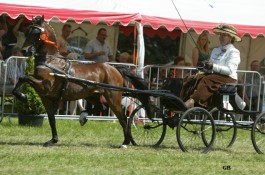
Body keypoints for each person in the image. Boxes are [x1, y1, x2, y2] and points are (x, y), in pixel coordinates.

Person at [182, 24, 241, 108]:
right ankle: (184, 100)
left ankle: (192, 101)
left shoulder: (234, 52)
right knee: (193, 78)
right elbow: (210, 66)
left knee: (207, 79)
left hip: (229, 78)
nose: (221, 37)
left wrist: (212, 66)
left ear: (231, 38)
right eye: (221, 34)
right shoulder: (215, 50)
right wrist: (204, 67)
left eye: (224, 35)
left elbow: (229, 70)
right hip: (215, 76)